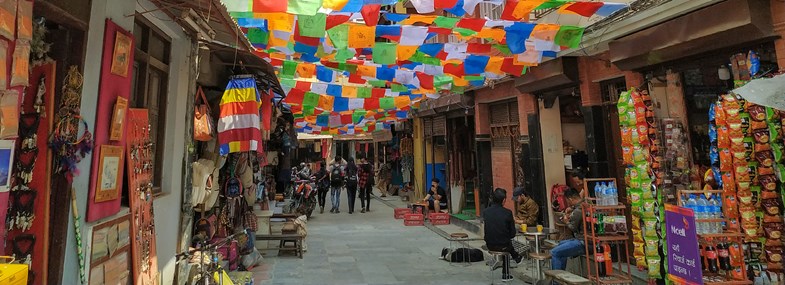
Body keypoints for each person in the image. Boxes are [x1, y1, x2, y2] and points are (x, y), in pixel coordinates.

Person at [482, 188, 521, 282]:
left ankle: (516, 257)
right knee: (506, 244)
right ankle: (506, 273)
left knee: (504, 241)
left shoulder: (486, 212)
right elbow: (512, 234)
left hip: (489, 244)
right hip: (504, 245)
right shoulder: (507, 213)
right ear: (503, 200)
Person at [551, 188, 586, 270]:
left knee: (555, 252)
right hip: (582, 240)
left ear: (570, 199)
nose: (568, 204)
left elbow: (573, 228)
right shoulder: (586, 204)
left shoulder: (578, 211)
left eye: (568, 201)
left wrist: (566, 221)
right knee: (560, 244)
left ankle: (556, 281)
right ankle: (561, 275)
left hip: (583, 242)